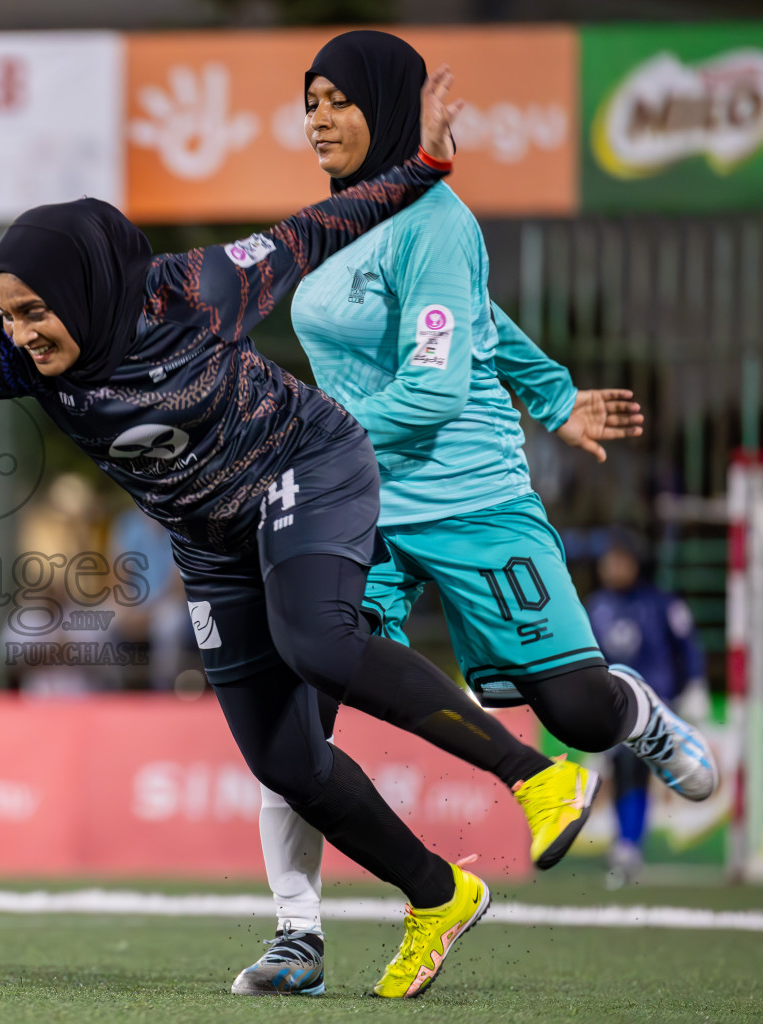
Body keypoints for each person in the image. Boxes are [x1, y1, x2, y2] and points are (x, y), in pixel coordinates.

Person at [0, 67, 596, 999]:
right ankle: (438, 894)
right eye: (9, 313)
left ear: (84, 291)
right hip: (210, 541)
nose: (22, 332)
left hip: (306, 469)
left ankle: (535, 777)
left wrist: (430, 162)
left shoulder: (199, 288)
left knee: (320, 643)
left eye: (36, 312)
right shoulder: (11, 351)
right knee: (285, 760)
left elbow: (326, 223)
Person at [232, 30, 719, 997]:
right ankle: (296, 935)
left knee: (575, 716)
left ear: (388, 104)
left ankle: (637, 714)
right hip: (355, 501)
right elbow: (487, 318)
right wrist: (554, 393)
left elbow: (434, 388)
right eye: (310, 100)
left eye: (339, 99)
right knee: (297, 706)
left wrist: (298, 425)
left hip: (470, 495)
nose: (318, 118)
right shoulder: (330, 222)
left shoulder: (439, 222)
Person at [586, 531, 710, 888]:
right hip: (613, 704)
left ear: (635, 563)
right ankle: (626, 845)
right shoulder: (595, 607)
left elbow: (687, 645)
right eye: (608, 560)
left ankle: (628, 846)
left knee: (632, 767)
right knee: (618, 770)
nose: (612, 567)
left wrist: (696, 684)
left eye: (619, 559)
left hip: (655, 703)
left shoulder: (662, 603)